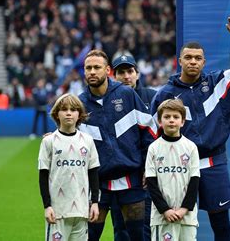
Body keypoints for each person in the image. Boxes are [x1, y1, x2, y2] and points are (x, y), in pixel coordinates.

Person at [151, 16, 230, 240]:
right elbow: (153, 135)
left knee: (221, 224)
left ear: (204, 62)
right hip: (176, 166)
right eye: (188, 57)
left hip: (213, 163)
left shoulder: (219, 83)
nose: (193, 61)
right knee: (177, 226)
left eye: (198, 58)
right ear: (179, 60)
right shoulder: (164, 95)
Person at [78, 49, 157, 241]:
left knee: (139, 236)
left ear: (107, 71)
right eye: (88, 68)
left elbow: (149, 131)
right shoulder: (79, 103)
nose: (92, 72)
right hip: (97, 182)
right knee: (89, 236)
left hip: (131, 178)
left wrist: (148, 165)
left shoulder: (127, 94)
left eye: (97, 67)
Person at [38, 93, 100, 241]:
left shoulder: (87, 141)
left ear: (79, 114)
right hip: (58, 211)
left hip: (81, 210)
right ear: (56, 114)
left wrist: (95, 203)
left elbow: (93, 173)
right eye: (64, 109)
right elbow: (43, 176)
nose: (68, 113)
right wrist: (47, 206)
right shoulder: (49, 142)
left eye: (73, 109)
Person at [112, 54, 157, 240]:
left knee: (143, 228)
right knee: (120, 228)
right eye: (121, 72)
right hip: (118, 174)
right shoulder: (108, 101)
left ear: (137, 74)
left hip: (145, 175)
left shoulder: (153, 97)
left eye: (130, 71)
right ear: (113, 76)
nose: (126, 76)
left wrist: (150, 166)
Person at [146, 99, 200, 240]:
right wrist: (165, 210)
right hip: (162, 217)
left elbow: (194, 181)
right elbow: (151, 183)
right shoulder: (154, 148)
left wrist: (184, 209)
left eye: (176, 117)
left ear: (182, 122)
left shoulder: (191, 147)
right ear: (159, 121)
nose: (171, 120)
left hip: (187, 218)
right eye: (167, 117)